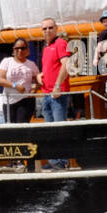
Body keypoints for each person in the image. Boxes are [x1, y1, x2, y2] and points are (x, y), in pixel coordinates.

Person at [38, 18, 71, 168]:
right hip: (46, 93)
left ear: (56, 28)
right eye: (44, 28)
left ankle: (62, 161)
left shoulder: (60, 43)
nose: (47, 31)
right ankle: (53, 161)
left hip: (59, 93)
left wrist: (57, 85)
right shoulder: (46, 47)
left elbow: (66, 64)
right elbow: (49, 68)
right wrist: (39, 75)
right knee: (49, 131)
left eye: (50, 27)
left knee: (59, 129)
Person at [0, 38, 41, 124]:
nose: (20, 50)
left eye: (23, 48)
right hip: (9, 101)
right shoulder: (6, 62)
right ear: (13, 49)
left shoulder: (31, 64)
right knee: (10, 129)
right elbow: (0, 79)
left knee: (21, 127)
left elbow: (38, 80)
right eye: (17, 48)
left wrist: (34, 90)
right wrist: (15, 85)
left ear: (27, 49)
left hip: (25, 100)